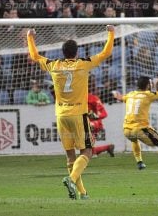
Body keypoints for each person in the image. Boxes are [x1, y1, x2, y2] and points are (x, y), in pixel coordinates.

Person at [27, 25, 114, 200]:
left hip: (61, 116)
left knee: (70, 156)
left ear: (63, 52)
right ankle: (72, 179)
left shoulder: (53, 65)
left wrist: (30, 37)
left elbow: (34, 56)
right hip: (78, 114)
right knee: (87, 152)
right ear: (76, 52)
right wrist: (111, 33)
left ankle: (82, 193)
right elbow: (105, 53)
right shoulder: (83, 64)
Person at [114, 76, 158, 172]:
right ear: (148, 85)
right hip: (140, 129)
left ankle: (140, 162)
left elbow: (119, 98)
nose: (152, 84)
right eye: (151, 83)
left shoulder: (130, 94)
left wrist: (115, 93)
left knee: (134, 140)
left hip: (126, 129)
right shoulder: (148, 94)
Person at [88, 92, 115, 158]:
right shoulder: (77, 99)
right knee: (86, 151)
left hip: (95, 123)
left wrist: (95, 116)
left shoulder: (93, 98)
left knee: (88, 126)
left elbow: (104, 113)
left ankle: (93, 153)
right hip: (82, 123)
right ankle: (107, 147)